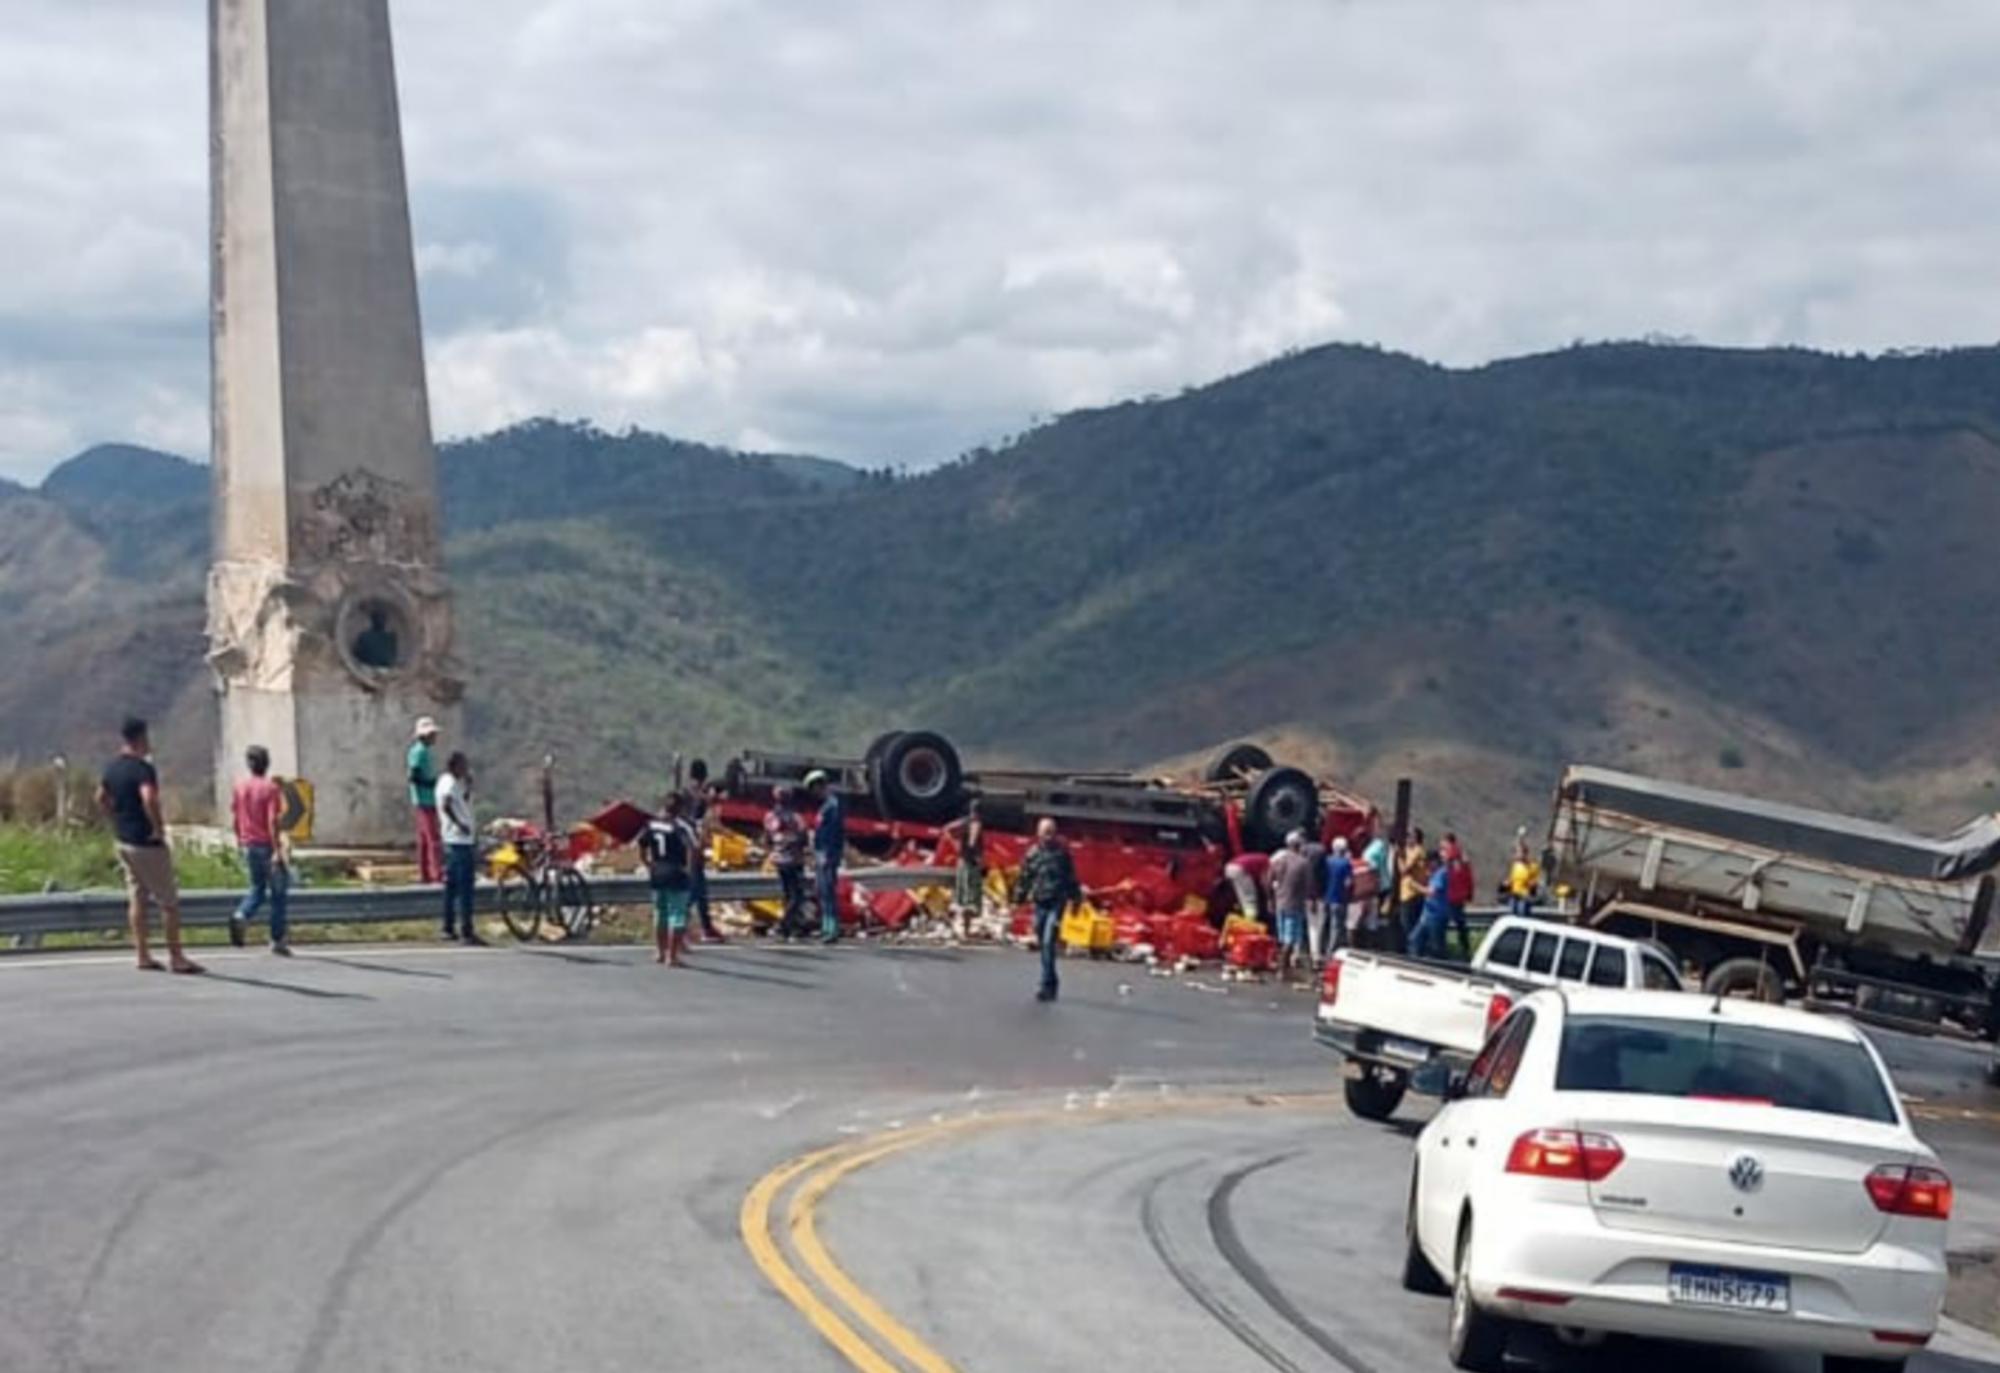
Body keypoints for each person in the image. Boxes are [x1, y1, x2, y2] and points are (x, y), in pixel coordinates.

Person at [97, 717, 201, 974]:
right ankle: (176, 957)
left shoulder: (112, 768)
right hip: (146, 842)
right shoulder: (143, 769)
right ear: (141, 738)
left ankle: (142, 954)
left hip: (124, 841)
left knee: (137, 897)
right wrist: (157, 827)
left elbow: (100, 797)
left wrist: (115, 819)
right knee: (168, 902)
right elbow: (149, 797)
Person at [227, 745, 291, 955]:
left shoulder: (240, 787)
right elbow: (272, 820)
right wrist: (277, 850)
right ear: (267, 764)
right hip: (266, 844)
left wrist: (239, 839)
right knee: (278, 894)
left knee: (257, 888)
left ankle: (241, 914)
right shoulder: (270, 789)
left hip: (249, 844)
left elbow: (235, 817)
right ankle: (277, 939)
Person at [1013, 819, 1082, 1002]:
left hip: (1057, 902)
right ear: (1039, 833)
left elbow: (1071, 878)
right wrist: (1018, 899)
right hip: (1040, 902)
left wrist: (1076, 900)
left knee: (1048, 941)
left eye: (1051, 832)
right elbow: (1025, 877)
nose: (1048, 836)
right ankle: (1052, 980)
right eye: (1045, 832)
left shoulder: (1062, 854)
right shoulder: (1033, 854)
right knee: (1041, 939)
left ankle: (1046, 986)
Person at [640, 792, 698, 966]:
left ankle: (660, 951)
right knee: (677, 914)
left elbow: (642, 845)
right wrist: (689, 869)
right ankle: (671, 956)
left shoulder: (652, 823)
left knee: (660, 912)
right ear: (680, 808)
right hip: (676, 872)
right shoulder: (681, 826)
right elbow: (692, 847)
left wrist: (648, 864)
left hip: (657, 872)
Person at [436, 751, 483, 944]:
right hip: (459, 840)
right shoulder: (449, 783)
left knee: (452, 887)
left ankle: (447, 927)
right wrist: (459, 824)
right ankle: (466, 930)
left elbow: (462, 801)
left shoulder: (451, 782)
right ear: (454, 766)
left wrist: (469, 786)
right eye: (463, 765)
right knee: (465, 888)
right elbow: (446, 805)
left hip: (455, 839)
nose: (466, 769)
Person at [682, 759, 725, 942]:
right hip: (694, 845)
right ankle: (683, 924)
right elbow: (701, 821)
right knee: (696, 887)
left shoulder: (685, 792)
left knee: (700, 888)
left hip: (687, 843)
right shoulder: (700, 796)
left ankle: (706, 927)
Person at [764, 785, 809, 940]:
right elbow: (804, 838)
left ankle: (792, 927)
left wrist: (775, 849)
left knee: (788, 894)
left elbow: (767, 839)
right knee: (796, 896)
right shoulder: (796, 818)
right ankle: (783, 925)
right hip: (794, 860)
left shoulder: (769, 817)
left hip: (779, 859)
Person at [1267, 831, 1313, 976]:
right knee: (1290, 939)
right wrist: (1311, 900)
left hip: (1280, 902)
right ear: (1299, 845)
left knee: (1282, 938)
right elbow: (1309, 885)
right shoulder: (1303, 863)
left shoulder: (1279, 861)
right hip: (1294, 905)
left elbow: (1269, 880)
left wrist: (1270, 899)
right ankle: (1282, 969)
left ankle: (1282, 966)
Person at [807, 770, 845, 944]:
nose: (814, 793)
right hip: (821, 853)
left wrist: (828, 854)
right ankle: (826, 926)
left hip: (827, 854)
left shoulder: (833, 806)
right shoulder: (825, 806)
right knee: (822, 891)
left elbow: (833, 833)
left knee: (828, 892)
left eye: (814, 788)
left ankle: (833, 928)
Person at [944, 798, 986, 941]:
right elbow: (973, 843)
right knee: (969, 899)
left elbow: (948, 828)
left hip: (964, 862)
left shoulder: (965, 822)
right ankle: (965, 930)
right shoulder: (974, 824)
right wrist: (976, 854)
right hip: (970, 864)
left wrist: (956, 844)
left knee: (963, 897)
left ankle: (961, 928)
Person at [408, 717, 443, 884]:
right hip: (425, 799)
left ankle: (425, 873)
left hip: (426, 799)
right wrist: (431, 783)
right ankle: (436, 873)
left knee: (424, 840)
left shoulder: (424, 751)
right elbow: (413, 776)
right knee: (433, 838)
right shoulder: (419, 752)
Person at [1407, 855, 1453, 960]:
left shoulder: (1442, 873)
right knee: (1414, 939)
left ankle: (1441, 965)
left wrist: (1415, 886)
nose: (1427, 865)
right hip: (1427, 915)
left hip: (1437, 916)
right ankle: (1416, 962)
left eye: (1429, 862)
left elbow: (1432, 892)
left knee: (1437, 946)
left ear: (1435, 861)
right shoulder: (1434, 874)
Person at [1396, 827, 1430, 950]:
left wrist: (1399, 858)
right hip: (1408, 893)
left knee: (1408, 925)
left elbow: (1404, 870)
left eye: (1410, 836)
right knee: (1407, 924)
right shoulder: (1410, 851)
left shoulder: (1417, 851)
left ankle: (1413, 950)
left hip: (1412, 894)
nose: (1407, 839)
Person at [1442, 833, 1476, 958]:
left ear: (1447, 842)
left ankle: (1443, 949)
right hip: (1460, 895)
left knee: (1443, 923)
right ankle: (1465, 949)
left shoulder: (1448, 856)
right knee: (1461, 924)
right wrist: (1469, 893)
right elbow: (1469, 877)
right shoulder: (1463, 858)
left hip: (1450, 894)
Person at [1321, 837, 1354, 958]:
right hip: (1339, 899)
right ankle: (1330, 953)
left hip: (1326, 897)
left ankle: (1321, 949)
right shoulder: (1346, 863)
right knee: (1336, 927)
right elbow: (1348, 883)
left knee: (1325, 924)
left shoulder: (1327, 861)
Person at [1362, 827, 1394, 944]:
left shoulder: (1376, 847)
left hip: (1377, 886)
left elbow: (1374, 866)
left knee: (1375, 915)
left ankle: (1375, 941)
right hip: (1381, 884)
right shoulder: (1380, 846)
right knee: (1378, 915)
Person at [1300, 831, 1329, 962]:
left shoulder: (1302, 852)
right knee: (1317, 925)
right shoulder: (1320, 851)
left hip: (1304, 894)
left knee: (1306, 924)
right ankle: (1316, 954)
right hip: (1319, 895)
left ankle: (1299, 953)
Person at [1507, 830, 1541, 918]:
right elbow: (1512, 879)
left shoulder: (1532, 866)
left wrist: (1531, 883)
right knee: (1513, 915)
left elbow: (1536, 881)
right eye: (1517, 853)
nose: (1518, 855)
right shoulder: (1516, 865)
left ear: (1526, 854)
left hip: (1525, 896)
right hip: (1514, 894)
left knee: (1522, 914)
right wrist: (1508, 883)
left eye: (1521, 853)